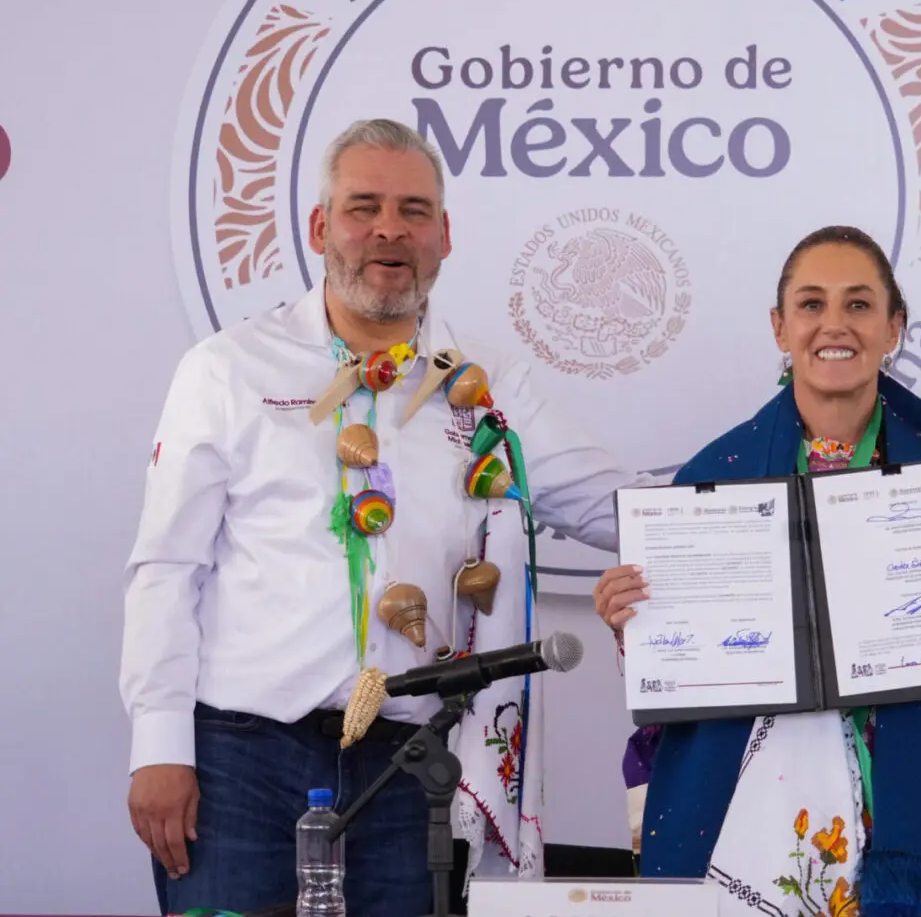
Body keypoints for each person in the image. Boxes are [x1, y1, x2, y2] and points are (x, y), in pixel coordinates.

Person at [121, 119, 651, 916]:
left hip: (413, 769)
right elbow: (168, 568)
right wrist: (157, 746)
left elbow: (610, 503)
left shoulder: (489, 384)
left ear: (444, 234)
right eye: (362, 206)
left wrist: (771, 513)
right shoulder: (228, 370)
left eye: (413, 210)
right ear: (319, 227)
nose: (388, 230)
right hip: (240, 759)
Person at [592, 226, 921, 917]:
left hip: (901, 828)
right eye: (811, 304)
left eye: (859, 305)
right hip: (756, 823)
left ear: (894, 327)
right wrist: (636, 624)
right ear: (780, 326)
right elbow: (681, 682)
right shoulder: (712, 476)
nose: (835, 325)